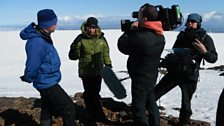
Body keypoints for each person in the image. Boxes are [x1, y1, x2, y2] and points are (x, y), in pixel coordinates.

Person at [154, 13, 218, 126]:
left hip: (190, 75)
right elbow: (174, 51)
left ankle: (184, 123)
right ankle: (145, 112)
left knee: (186, 103)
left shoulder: (205, 38)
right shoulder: (182, 35)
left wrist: (204, 51)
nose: (189, 23)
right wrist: (167, 60)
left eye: (193, 22)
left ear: (198, 23)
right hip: (176, 71)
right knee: (156, 92)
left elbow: (213, 58)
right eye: (188, 21)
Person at [20, 9, 76, 126]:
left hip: (47, 79)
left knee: (48, 108)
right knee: (69, 108)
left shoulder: (43, 36)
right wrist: (29, 76)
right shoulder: (37, 42)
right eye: (54, 22)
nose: (56, 24)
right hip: (46, 81)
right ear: (47, 24)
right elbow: (33, 63)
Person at [118, 3, 165, 126]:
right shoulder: (159, 35)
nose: (136, 18)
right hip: (151, 76)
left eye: (138, 16)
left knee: (138, 109)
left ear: (144, 19)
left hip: (140, 78)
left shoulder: (141, 37)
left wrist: (129, 31)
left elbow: (122, 46)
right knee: (151, 102)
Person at [68, 17, 112, 125]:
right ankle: (93, 115)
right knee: (89, 93)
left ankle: (96, 114)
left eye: (93, 27)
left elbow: (105, 52)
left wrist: (108, 64)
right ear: (86, 27)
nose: (91, 30)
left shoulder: (102, 39)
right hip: (86, 71)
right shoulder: (80, 39)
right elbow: (74, 55)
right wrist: (73, 51)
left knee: (96, 93)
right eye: (89, 27)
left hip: (98, 71)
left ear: (96, 27)